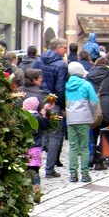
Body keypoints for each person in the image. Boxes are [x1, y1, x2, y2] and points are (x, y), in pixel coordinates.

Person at [86, 57, 109, 169]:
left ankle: (92, 154)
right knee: (106, 131)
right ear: (107, 64)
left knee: (94, 130)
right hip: (107, 105)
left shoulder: (89, 75)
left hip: (93, 105)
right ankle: (100, 158)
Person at [65, 61, 99, 183]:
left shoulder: (66, 85)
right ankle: (85, 173)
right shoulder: (86, 84)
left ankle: (73, 174)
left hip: (71, 118)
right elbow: (94, 101)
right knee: (84, 147)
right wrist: (91, 112)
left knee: (73, 147)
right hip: (84, 118)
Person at [40, 37, 68, 178]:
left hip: (41, 102)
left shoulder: (40, 61)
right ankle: (49, 169)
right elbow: (60, 88)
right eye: (64, 47)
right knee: (54, 136)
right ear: (58, 48)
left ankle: (33, 168)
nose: (66, 50)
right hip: (54, 104)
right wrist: (62, 105)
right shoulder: (61, 65)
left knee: (38, 136)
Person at [21, 95, 50, 203]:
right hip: (36, 149)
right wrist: (44, 117)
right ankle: (37, 186)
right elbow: (44, 127)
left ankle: (26, 192)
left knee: (26, 171)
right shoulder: (38, 117)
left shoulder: (24, 117)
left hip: (25, 149)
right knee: (36, 171)